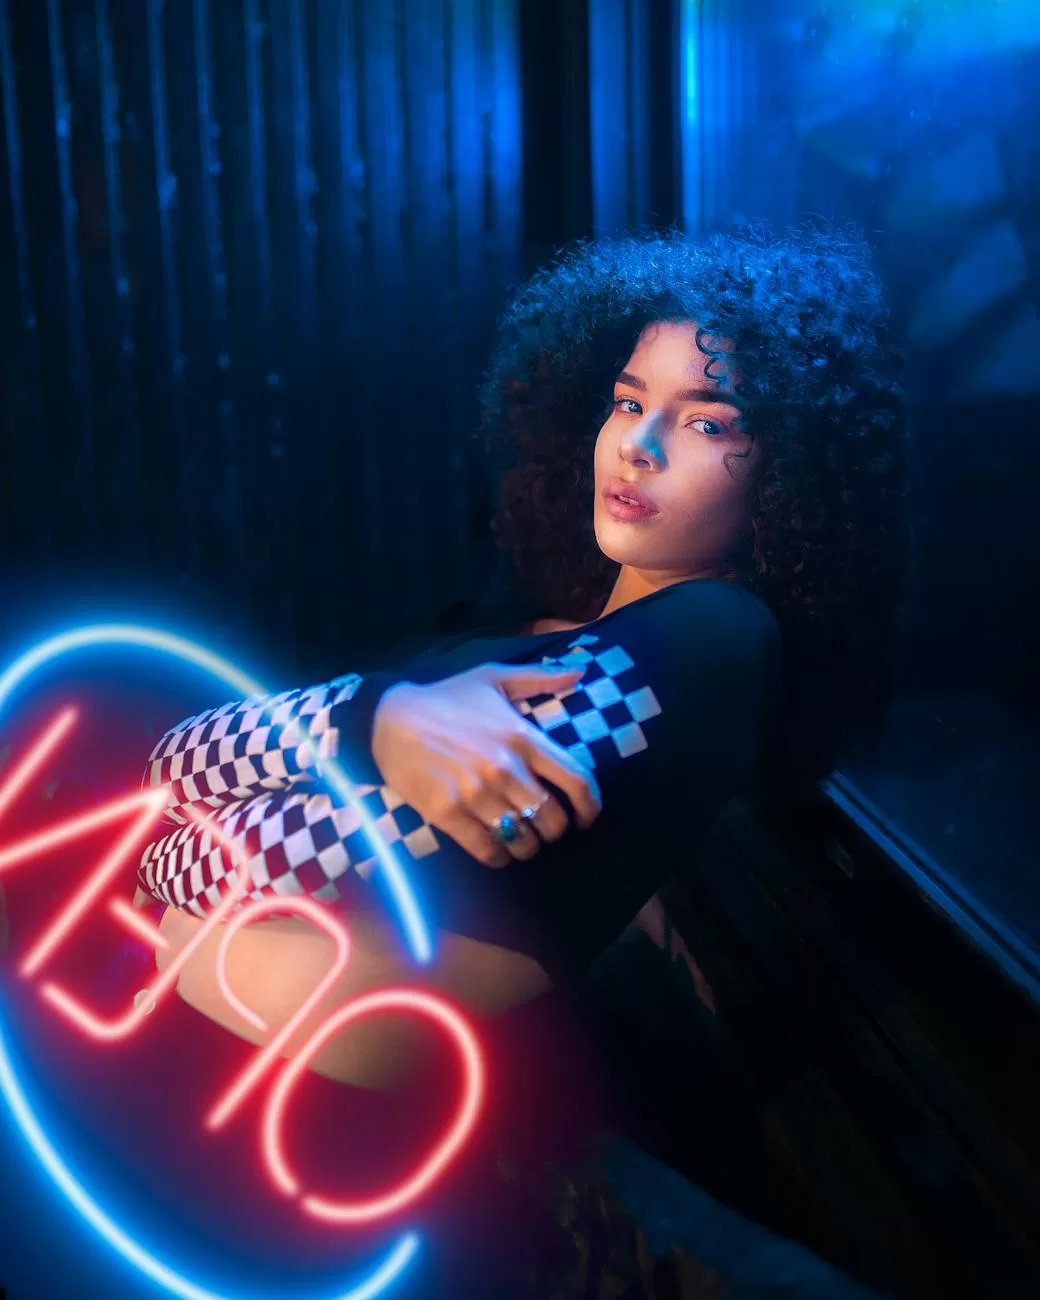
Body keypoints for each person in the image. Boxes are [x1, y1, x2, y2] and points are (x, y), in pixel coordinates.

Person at [130, 224, 909, 1271]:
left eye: (708, 420)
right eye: (628, 401)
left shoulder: (712, 637)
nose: (637, 444)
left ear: (789, 477)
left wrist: (209, 835)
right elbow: (169, 763)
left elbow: (236, 837)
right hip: (218, 1090)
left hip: (312, 1138)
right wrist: (369, 722)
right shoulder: (547, 639)